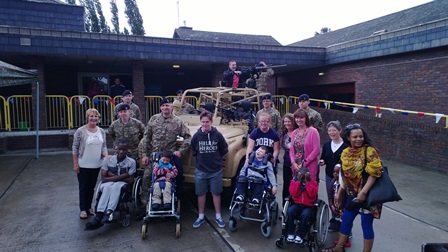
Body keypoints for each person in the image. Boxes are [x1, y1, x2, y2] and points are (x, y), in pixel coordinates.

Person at [323, 124, 383, 252]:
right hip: (351, 195)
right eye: (355, 136)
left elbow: (374, 173)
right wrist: (339, 192)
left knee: (366, 225)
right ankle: (339, 247)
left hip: (368, 197)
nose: (358, 139)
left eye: (361, 136)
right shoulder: (345, 152)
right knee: (346, 220)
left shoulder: (370, 151)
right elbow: (344, 175)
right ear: (348, 138)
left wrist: (363, 192)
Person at [140, 98, 191, 206]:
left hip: (169, 157)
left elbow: (187, 137)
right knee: (147, 177)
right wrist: (144, 155)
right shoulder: (154, 119)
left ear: (171, 107)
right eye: (163, 106)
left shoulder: (177, 121)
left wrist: (180, 151)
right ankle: (145, 205)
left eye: (167, 105)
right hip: (154, 155)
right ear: (160, 107)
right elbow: (146, 137)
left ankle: (170, 202)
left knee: (174, 178)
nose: (165, 108)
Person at [85, 140, 136, 230]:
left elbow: (130, 180)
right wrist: (123, 176)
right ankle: (99, 214)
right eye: (119, 149)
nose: (121, 151)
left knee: (116, 187)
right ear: (116, 149)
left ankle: (109, 211)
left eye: (124, 149)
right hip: (109, 183)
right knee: (107, 187)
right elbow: (104, 179)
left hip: (122, 183)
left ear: (127, 150)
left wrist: (111, 175)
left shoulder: (131, 162)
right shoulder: (108, 160)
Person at [191, 111, 229, 228]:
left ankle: (218, 216)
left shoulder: (217, 135)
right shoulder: (197, 136)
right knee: (200, 194)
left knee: (216, 193)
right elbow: (194, 150)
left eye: (207, 122)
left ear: (211, 122)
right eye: (203, 122)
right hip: (201, 170)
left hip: (215, 171)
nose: (205, 124)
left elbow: (224, 149)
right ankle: (201, 216)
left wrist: (216, 160)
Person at [72, 108, 109, 220]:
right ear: (87, 117)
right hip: (83, 164)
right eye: (91, 116)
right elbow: (75, 148)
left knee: (92, 187)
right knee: (83, 187)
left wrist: (105, 155)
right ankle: (83, 209)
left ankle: (89, 207)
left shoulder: (101, 131)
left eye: (96, 116)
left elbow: (104, 146)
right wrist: (75, 164)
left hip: (96, 164)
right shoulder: (80, 131)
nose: (93, 118)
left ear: (98, 118)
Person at [318, 120, 349, 230]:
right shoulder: (326, 144)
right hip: (329, 176)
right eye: (329, 130)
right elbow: (323, 158)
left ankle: (345, 224)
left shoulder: (346, 146)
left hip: (342, 178)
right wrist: (322, 161)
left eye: (334, 130)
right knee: (331, 198)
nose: (331, 133)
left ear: (340, 131)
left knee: (341, 199)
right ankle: (335, 220)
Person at [286, 166, 318, 244]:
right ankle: (290, 233)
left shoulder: (313, 183)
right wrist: (298, 182)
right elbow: (294, 194)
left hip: (308, 206)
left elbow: (312, 194)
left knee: (306, 215)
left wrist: (307, 182)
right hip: (297, 204)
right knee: (290, 211)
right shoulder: (294, 182)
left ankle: (300, 234)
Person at [290, 109, 320, 181]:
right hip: (296, 166)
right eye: (297, 118)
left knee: (309, 190)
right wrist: (293, 162)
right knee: (296, 190)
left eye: (301, 118)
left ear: (306, 119)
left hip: (309, 166)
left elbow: (316, 150)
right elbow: (291, 150)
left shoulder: (313, 131)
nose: (299, 120)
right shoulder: (294, 132)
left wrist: (304, 163)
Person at [329, 165, 352, 247]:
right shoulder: (333, 182)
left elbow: (347, 197)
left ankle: (346, 240)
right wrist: (331, 204)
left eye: (337, 172)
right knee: (339, 222)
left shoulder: (345, 184)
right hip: (336, 207)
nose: (335, 174)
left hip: (343, 207)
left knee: (345, 223)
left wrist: (343, 206)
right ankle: (341, 239)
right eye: (334, 172)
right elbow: (330, 194)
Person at [280, 113, 297, 206]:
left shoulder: (298, 132)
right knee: (286, 185)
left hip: (297, 164)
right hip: (286, 162)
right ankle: (285, 207)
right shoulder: (283, 133)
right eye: (285, 121)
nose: (287, 123)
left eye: (289, 121)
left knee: (296, 186)